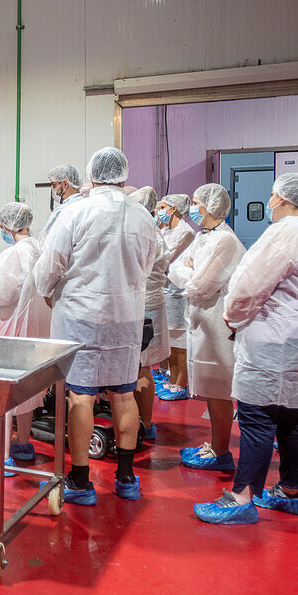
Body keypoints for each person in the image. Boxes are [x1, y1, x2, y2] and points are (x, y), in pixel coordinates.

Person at [193, 174, 298, 524]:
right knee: (292, 417)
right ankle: (291, 491)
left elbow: (248, 284)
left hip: (276, 339)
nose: (270, 202)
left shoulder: (287, 231)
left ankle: (241, 498)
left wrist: (232, 317)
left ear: (285, 199)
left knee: (257, 417)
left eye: (273, 196)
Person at [34, 147, 157, 504]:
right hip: (126, 317)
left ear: (91, 175)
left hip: (80, 317)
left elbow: (51, 262)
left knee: (81, 396)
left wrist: (44, 290)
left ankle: (81, 479)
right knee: (123, 393)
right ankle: (126, 477)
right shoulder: (142, 215)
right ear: (123, 176)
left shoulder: (77, 211)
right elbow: (150, 263)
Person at [168, 184, 246, 472]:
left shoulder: (225, 241)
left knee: (220, 392)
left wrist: (188, 273)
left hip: (217, 325)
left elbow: (200, 286)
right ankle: (215, 445)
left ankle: (221, 451)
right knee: (212, 392)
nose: (194, 207)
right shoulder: (203, 237)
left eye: (197, 202)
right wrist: (189, 272)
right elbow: (176, 270)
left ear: (211, 207)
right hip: (202, 322)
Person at [0, 202, 51, 465]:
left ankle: (3, 456)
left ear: (9, 226)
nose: (2, 232)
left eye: (1, 227)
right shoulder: (39, 248)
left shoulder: (14, 253)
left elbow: (2, 293)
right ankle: (23, 443)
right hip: (35, 332)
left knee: (6, 392)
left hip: (12, 331)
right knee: (28, 390)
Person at [127, 186, 171, 441]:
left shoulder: (143, 232)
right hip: (150, 301)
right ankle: (146, 421)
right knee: (141, 365)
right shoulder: (153, 231)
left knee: (140, 368)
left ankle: (143, 424)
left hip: (142, 304)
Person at [155, 193, 195, 399]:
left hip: (177, 291)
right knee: (170, 338)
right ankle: (171, 378)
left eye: (162, 208)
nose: (159, 212)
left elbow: (165, 257)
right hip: (165, 289)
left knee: (179, 340)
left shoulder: (185, 232)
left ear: (173, 209)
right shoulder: (167, 230)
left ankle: (181, 383)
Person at [39, 164, 85, 239]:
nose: (54, 189)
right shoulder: (88, 206)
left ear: (65, 184)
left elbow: (51, 245)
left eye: (54, 185)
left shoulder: (63, 212)